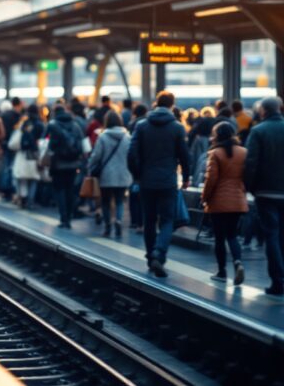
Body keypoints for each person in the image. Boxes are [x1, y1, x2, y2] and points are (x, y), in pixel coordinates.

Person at [127, 91, 190, 278]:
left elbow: (132, 154)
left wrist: (137, 174)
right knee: (168, 220)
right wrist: (186, 177)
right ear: (172, 105)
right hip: (168, 181)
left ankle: (150, 257)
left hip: (146, 181)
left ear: (156, 103)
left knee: (149, 219)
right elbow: (184, 156)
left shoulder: (142, 126)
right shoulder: (178, 128)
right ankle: (159, 254)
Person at [244, 96, 284, 295]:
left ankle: (278, 281)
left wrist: (250, 187)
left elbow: (251, 162)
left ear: (262, 111)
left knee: (272, 236)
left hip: (266, 193)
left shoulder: (258, 131)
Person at [202, 122, 247, 285]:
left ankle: (221, 272)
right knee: (232, 235)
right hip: (237, 200)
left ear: (217, 135)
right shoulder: (244, 152)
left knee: (219, 238)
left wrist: (205, 197)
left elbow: (211, 179)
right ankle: (238, 262)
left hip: (218, 202)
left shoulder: (215, 153)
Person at [88, 111, 132, 238]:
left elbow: (96, 156)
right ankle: (118, 220)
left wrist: (90, 167)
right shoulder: (127, 137)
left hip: (106, 175)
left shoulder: (103, 137)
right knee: (119, 200)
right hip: (123, 174)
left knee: (106, 201)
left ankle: (107, 226)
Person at [46, 104, 85, 228]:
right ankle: (69, 216)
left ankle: (64, 219)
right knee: (70, 190)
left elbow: (51, 145)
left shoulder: (53, 125)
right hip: (73, 164)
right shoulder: (75, 125)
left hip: (58, 164)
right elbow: (81, 143)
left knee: (60, 191)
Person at [14, 104, 44, 209]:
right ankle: (31, 201)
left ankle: (23, 198)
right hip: (36, 153)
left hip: (24, 153)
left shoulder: (25, 123)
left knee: (23, 178)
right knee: (34, 178)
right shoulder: (40, 124)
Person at [0, 97, 23, 202]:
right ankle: (10, 189)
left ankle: (4, 189)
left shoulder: (3, 115)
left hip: (4, 144)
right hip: (14, 145)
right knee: (12, 167)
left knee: (6, 166)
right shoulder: (19, 117)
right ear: (19, 104)